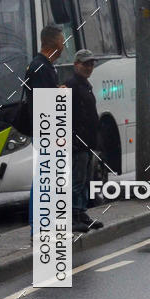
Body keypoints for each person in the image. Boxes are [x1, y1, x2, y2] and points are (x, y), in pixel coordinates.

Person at [22, 25, 64, 238]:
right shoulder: (41, 67)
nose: (64, 46)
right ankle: (38, 226)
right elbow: (43, 101)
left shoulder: (41, 65)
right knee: (44, 177)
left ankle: (43, 224)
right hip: (46, 131)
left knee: (46, 176)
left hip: (45, 130)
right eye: (62, 42)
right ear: (54, 43)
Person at [65, 49, 103, 232]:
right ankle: (72, 217)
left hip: (87, 142)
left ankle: (81, 213)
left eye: (91, 64)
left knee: (85, 180)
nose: (89, 67)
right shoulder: (71, 85)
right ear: (76, 64)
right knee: (77, 180)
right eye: (85, 64)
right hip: (77, 143)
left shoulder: (85, 84)